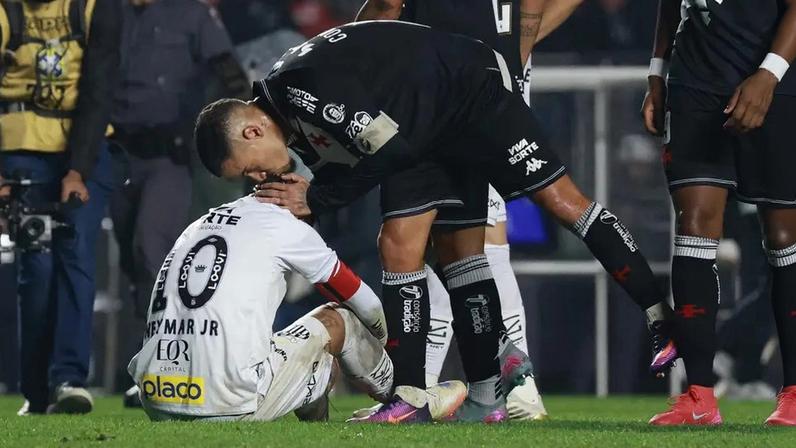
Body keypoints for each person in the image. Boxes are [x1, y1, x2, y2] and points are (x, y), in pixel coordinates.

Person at [194, 20, 675, 423]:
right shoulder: (288, 116)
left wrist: (317, 196)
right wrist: (319, 195)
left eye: (250, 167)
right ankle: (476, 390)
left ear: (252, 129)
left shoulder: (298, 91)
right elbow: (371, 152)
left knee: (563, 203)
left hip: (470, 92)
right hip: (424, 126)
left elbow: (385, 150)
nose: (260, 177)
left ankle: (660, 317)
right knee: (438, 248)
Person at [352, 0, 585, 422]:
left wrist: (518, 43)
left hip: (462, 85)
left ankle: (511, 386)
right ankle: (442, 387)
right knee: (457, 241)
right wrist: (516, 46)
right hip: (467, 77)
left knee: (472, 243)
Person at [127, 194, 466, 422]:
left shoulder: (198, 225)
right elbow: (365, 302)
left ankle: (320, 413)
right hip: (229, 401)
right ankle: (407, 400)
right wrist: (386, 340)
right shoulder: (284, 223)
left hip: (155, 399)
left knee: (312, 354)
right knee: (339, 320)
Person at [642, 0, 796, 426]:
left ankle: (794, 393)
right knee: (693, 225)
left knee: (785, 236)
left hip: (777, 82)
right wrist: (657, 71)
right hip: (695, 80)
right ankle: (698, 396)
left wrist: (768, 74)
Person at [111, 0, 249, 406]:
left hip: (170, 153)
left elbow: (231, 77)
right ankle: (146, 358)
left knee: (152, 249)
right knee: (133, 260)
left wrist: (215, 137)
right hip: (114, 151)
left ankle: (160, 367)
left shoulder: (191, 13)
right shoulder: (105, 10)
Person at [0, 0, 121, 415]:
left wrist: (78, 171)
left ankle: (68, 379)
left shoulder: (96, 8)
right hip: (21, 151)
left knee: (77, 255)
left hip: (84, 148)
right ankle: (35, 390)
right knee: (36, 266)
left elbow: (99, 88)